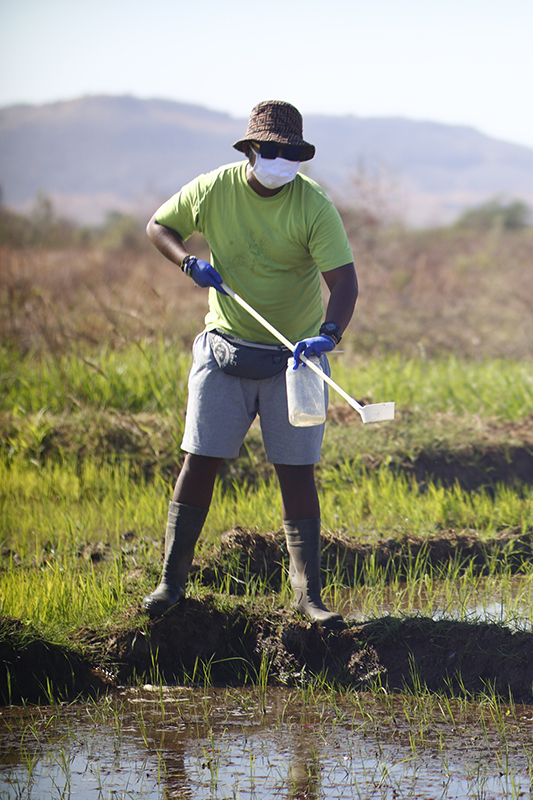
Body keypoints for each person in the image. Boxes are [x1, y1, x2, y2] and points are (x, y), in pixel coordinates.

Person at [142, 100, 357, 629]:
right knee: (201, 460)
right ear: (252, 150)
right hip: (225, 349)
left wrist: (327, 335)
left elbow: (345, 282)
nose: (283, 160)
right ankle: (171, 583)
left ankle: (308, 596)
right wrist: (188, 261)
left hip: (294, 361)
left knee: (296, 472)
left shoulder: (313, 205)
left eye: (293, 153)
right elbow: (157, 227)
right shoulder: (215, 189)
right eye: (274, 150)